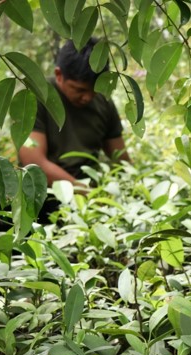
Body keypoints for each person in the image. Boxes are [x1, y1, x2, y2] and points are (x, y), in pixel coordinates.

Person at [19, 37, 132, 220]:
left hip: (88, 202)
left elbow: (121, 160)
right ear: (59, 75)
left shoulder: (104, 103)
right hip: (43, 199)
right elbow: (34, 163)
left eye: (93, 90)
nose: (87, 97)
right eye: (80, 90)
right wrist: (87, 193)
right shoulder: (35, 98)